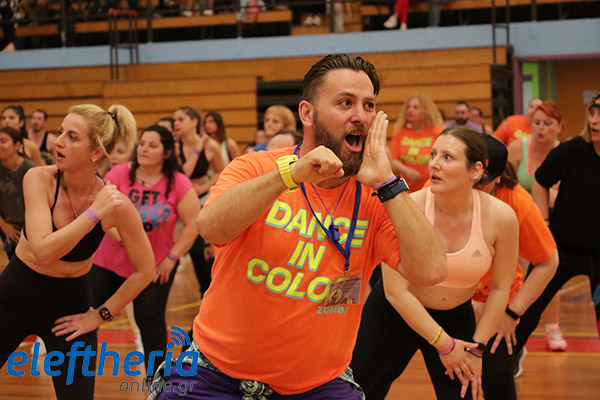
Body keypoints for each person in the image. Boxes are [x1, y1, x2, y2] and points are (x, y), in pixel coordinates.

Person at [148, 53, 447, 399]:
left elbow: (431, 271)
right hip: (214, 375)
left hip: (318, 386)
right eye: (346, 103)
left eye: (368, 105)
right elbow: (210, 228)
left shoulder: (375, 196)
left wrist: (388, 183)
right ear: (307, 113)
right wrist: (290, 175)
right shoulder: (257, 167)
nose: (360, 116)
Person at [0, 104, 155, 400]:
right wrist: (94, 215)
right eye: (60, 132)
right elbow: (43, 251)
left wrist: (101, 315)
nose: (58, 142)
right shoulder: (38, 179)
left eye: (72, 137)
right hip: (14, 295)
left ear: (96, 152)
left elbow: (146, 269)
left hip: (70, 308)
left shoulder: (116, 205)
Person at [351, 126, 518, 400]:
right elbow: (395, 292)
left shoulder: (501, 217)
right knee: (356, 391)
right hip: (393, 314)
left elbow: (501, 288)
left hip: (455, 318)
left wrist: (477, 348)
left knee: (466, 392)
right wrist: (445, 345)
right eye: (433, 155)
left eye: (447, 157)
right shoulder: (408, 207)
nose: (434, 164)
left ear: (476, 170)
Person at [90, 125, 200, 376]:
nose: (144, 149)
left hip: (155, 265)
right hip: (110, 261)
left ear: (166, 152)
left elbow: (194, 223)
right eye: (141, 144)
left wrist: (172, 258)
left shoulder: (178, 182)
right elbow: (100, 211)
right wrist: (127, 238)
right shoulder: (119, 174)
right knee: (88, 313)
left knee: (149, 319)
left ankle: (157, 382)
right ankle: (75, 371)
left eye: (152, 145)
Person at [515, 93, 600, 377]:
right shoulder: (571, 151)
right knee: (529, 307)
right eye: (592, 113)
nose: (595, 120)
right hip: (561, 248)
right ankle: (511, 355)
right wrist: (543, 221)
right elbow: (540, 181)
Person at [471, 135, 558, 400]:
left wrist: (511, 313)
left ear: (497, 179)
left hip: (496, 303)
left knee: (497, 378)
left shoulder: (517, 201)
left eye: (481, 182)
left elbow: (548, 262)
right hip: (449, 301)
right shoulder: (438, 190)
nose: (472, 186)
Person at [506, 100, 566, 351]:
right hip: (516, 222)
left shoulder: (565, 153)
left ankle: (553, 328)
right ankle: (512, 327)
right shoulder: (518, 148)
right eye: (537, 123)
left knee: (548, 275)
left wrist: (548, 197)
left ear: (559, 127)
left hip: (550, 224)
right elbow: (504, 184)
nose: (540, 128)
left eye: (547, 123)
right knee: (515, 277)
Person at [173, 106, 225, 297]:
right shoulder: (174, 147)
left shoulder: (211, 146)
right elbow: (184, 173)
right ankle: (207, 289)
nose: (176, 123)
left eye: (181, 119)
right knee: (188, 250)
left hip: (202, 199)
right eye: (175, 120)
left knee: (202, 250)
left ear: (194, 122)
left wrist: (204, 187)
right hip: (179, 202)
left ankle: (208, 290)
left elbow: (222, 172)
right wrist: (196, 150)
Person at [389, 93, 444, 191]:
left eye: (416, 107)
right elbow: (393, 160)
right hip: (407, 187)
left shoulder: (437, 132)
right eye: (408, 107)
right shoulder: (400, 131)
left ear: (426, 110)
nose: (410, 110)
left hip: (432, 186)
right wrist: (406, 170)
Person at [0, 126, 36, 259]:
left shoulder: (30, 170)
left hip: (30, 228)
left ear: (17, 145)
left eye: (3, 141)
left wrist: (29, 230)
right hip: (7, 227)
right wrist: (4, 225)